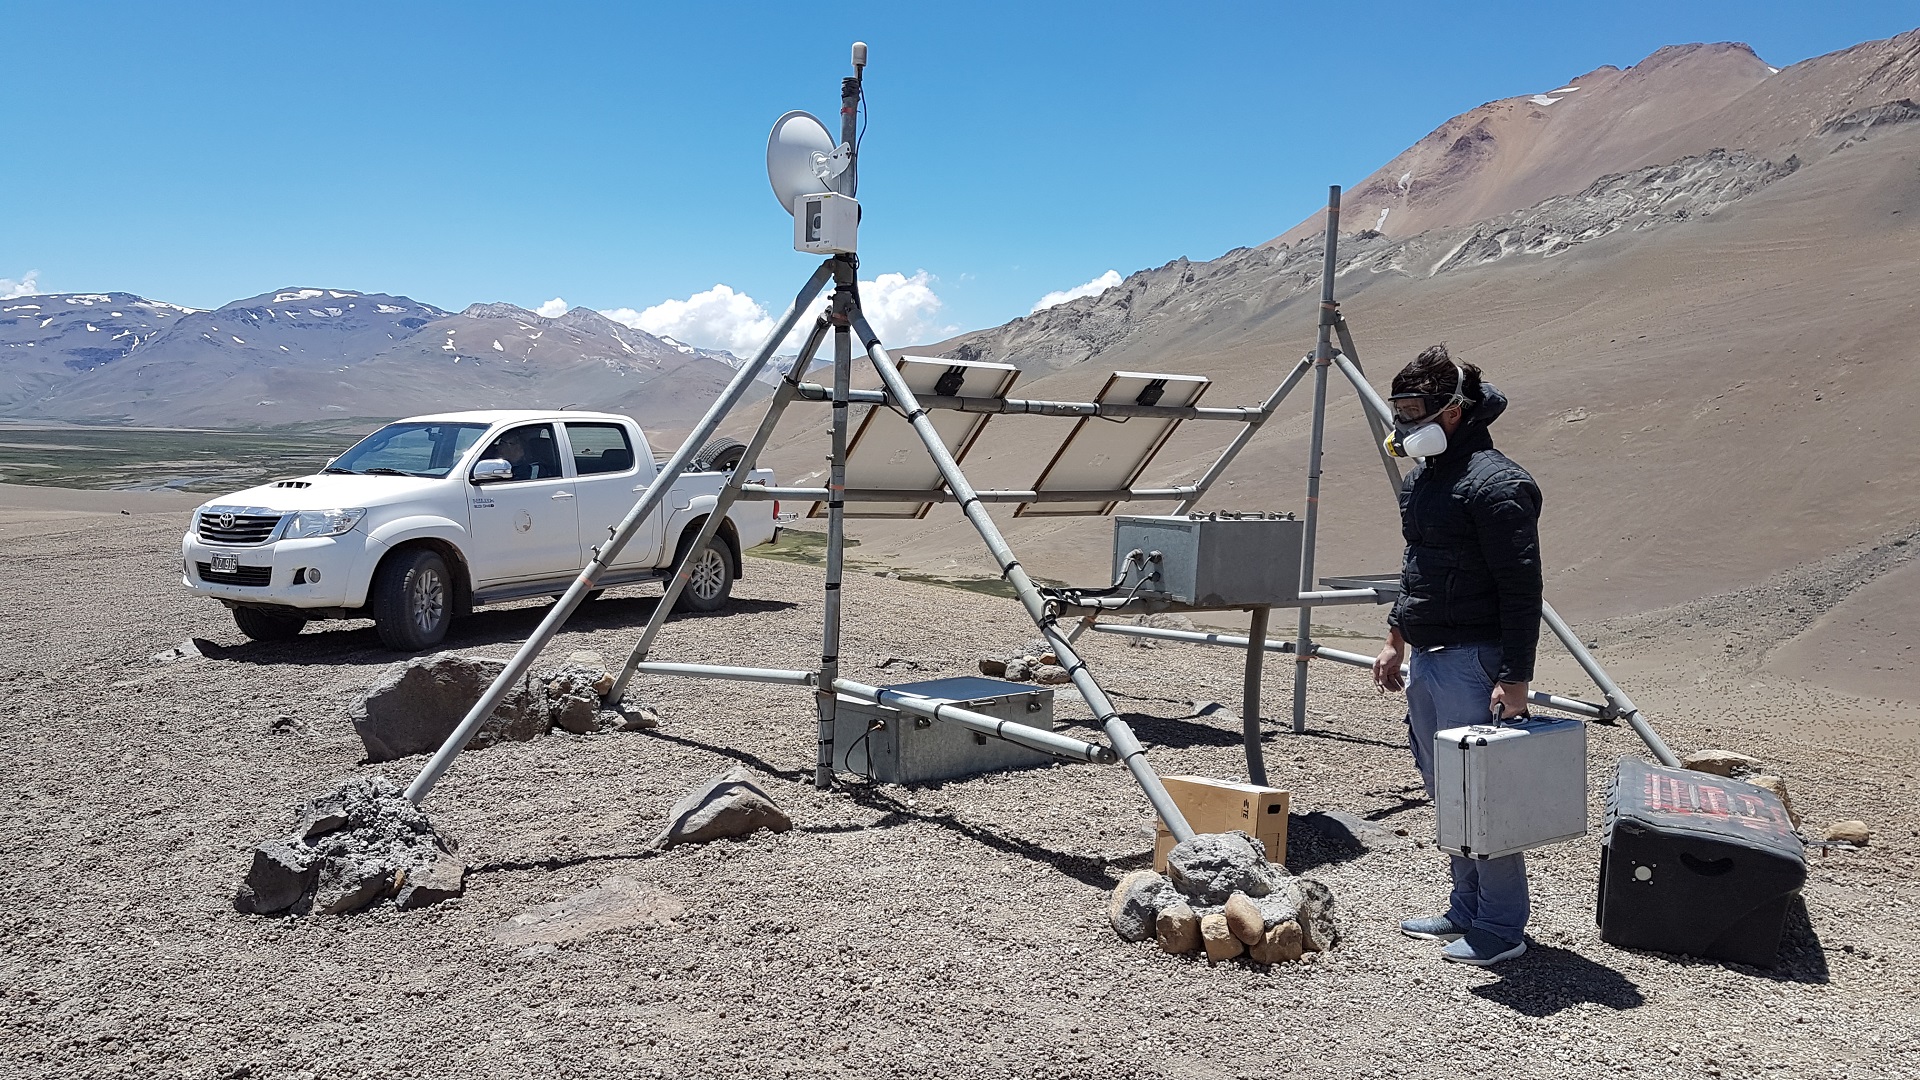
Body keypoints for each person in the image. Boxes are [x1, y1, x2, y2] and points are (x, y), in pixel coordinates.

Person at [1371, 344, 1543, 967]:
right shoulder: (1429, 482)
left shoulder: (1497, 486)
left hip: (1477, 660)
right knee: (1447, 788)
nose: (1403, 425)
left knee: (1483, 793)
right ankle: (1465, 908)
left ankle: (1501, 927)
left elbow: (1523, 593)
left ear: (1454, 411)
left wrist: (1514, 678)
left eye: (1414, 411)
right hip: (1431, 659)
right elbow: (1419, 569)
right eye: (1399, 411)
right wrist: (1397, 638)